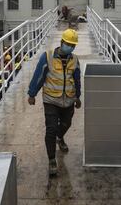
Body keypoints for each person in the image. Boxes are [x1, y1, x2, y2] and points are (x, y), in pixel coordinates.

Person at [27, 29, 81, 176]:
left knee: (67, 124)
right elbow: (38, 76)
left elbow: (77, 80)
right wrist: (32, 94)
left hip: (68, 100)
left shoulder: (75, 60)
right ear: (62, 42)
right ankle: (52, 160)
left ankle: (60, 137)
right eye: (68, 44)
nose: (70, 47)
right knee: (51, 129)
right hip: (51, 99)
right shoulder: (48, 57)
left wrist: (77, 97)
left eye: (73, 45)